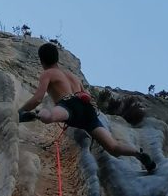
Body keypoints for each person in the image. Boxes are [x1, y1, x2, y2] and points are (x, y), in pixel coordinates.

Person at [18, 43, 157, 172]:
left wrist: (20, 111)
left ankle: (36, 114)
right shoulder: (73, 77)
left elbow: (38, 98)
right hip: (88, 110)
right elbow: (87, 95)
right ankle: (137, 153)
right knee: (113, 147)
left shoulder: (48, 74)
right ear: (57, 58)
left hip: (69, 105)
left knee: (49, 117)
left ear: (42, 60)